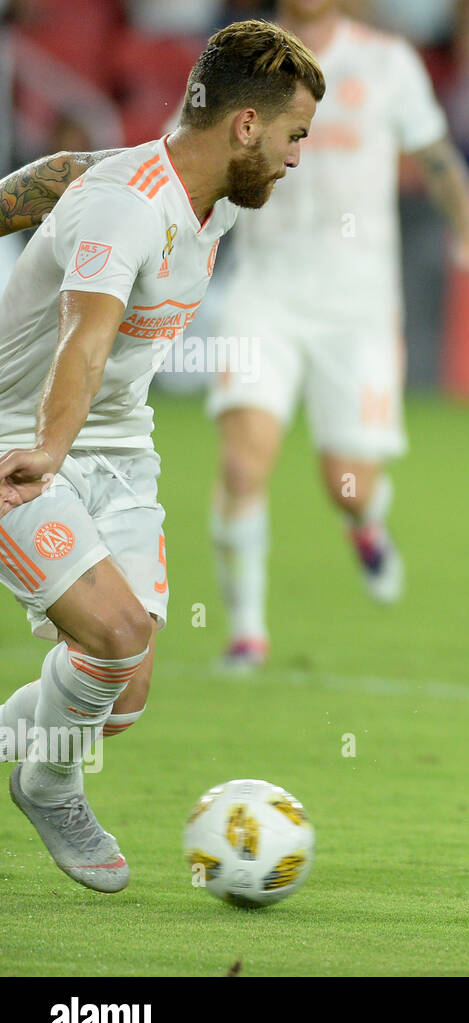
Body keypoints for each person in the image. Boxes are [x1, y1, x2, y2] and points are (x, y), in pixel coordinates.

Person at [0, 20, 323, 892]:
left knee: (122, 694)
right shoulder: (129, 205)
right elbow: (85, 337)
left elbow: (57, 178)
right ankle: (51, 785)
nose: (298, 159)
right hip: (18, 444)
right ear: (246, 127)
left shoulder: (187, 192)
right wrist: (48, 450)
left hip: (120, 453)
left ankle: (36, 765)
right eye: (295, 137)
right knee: (111, 638)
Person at [208, 0, 469, 670]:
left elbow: (436, 156)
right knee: (242, 462)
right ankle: (247, 633)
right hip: (266, 292)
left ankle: (366, 522)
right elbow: (186, 150)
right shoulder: (237, 60)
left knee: (346, 482)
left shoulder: (387, 63)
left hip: (358, 305)